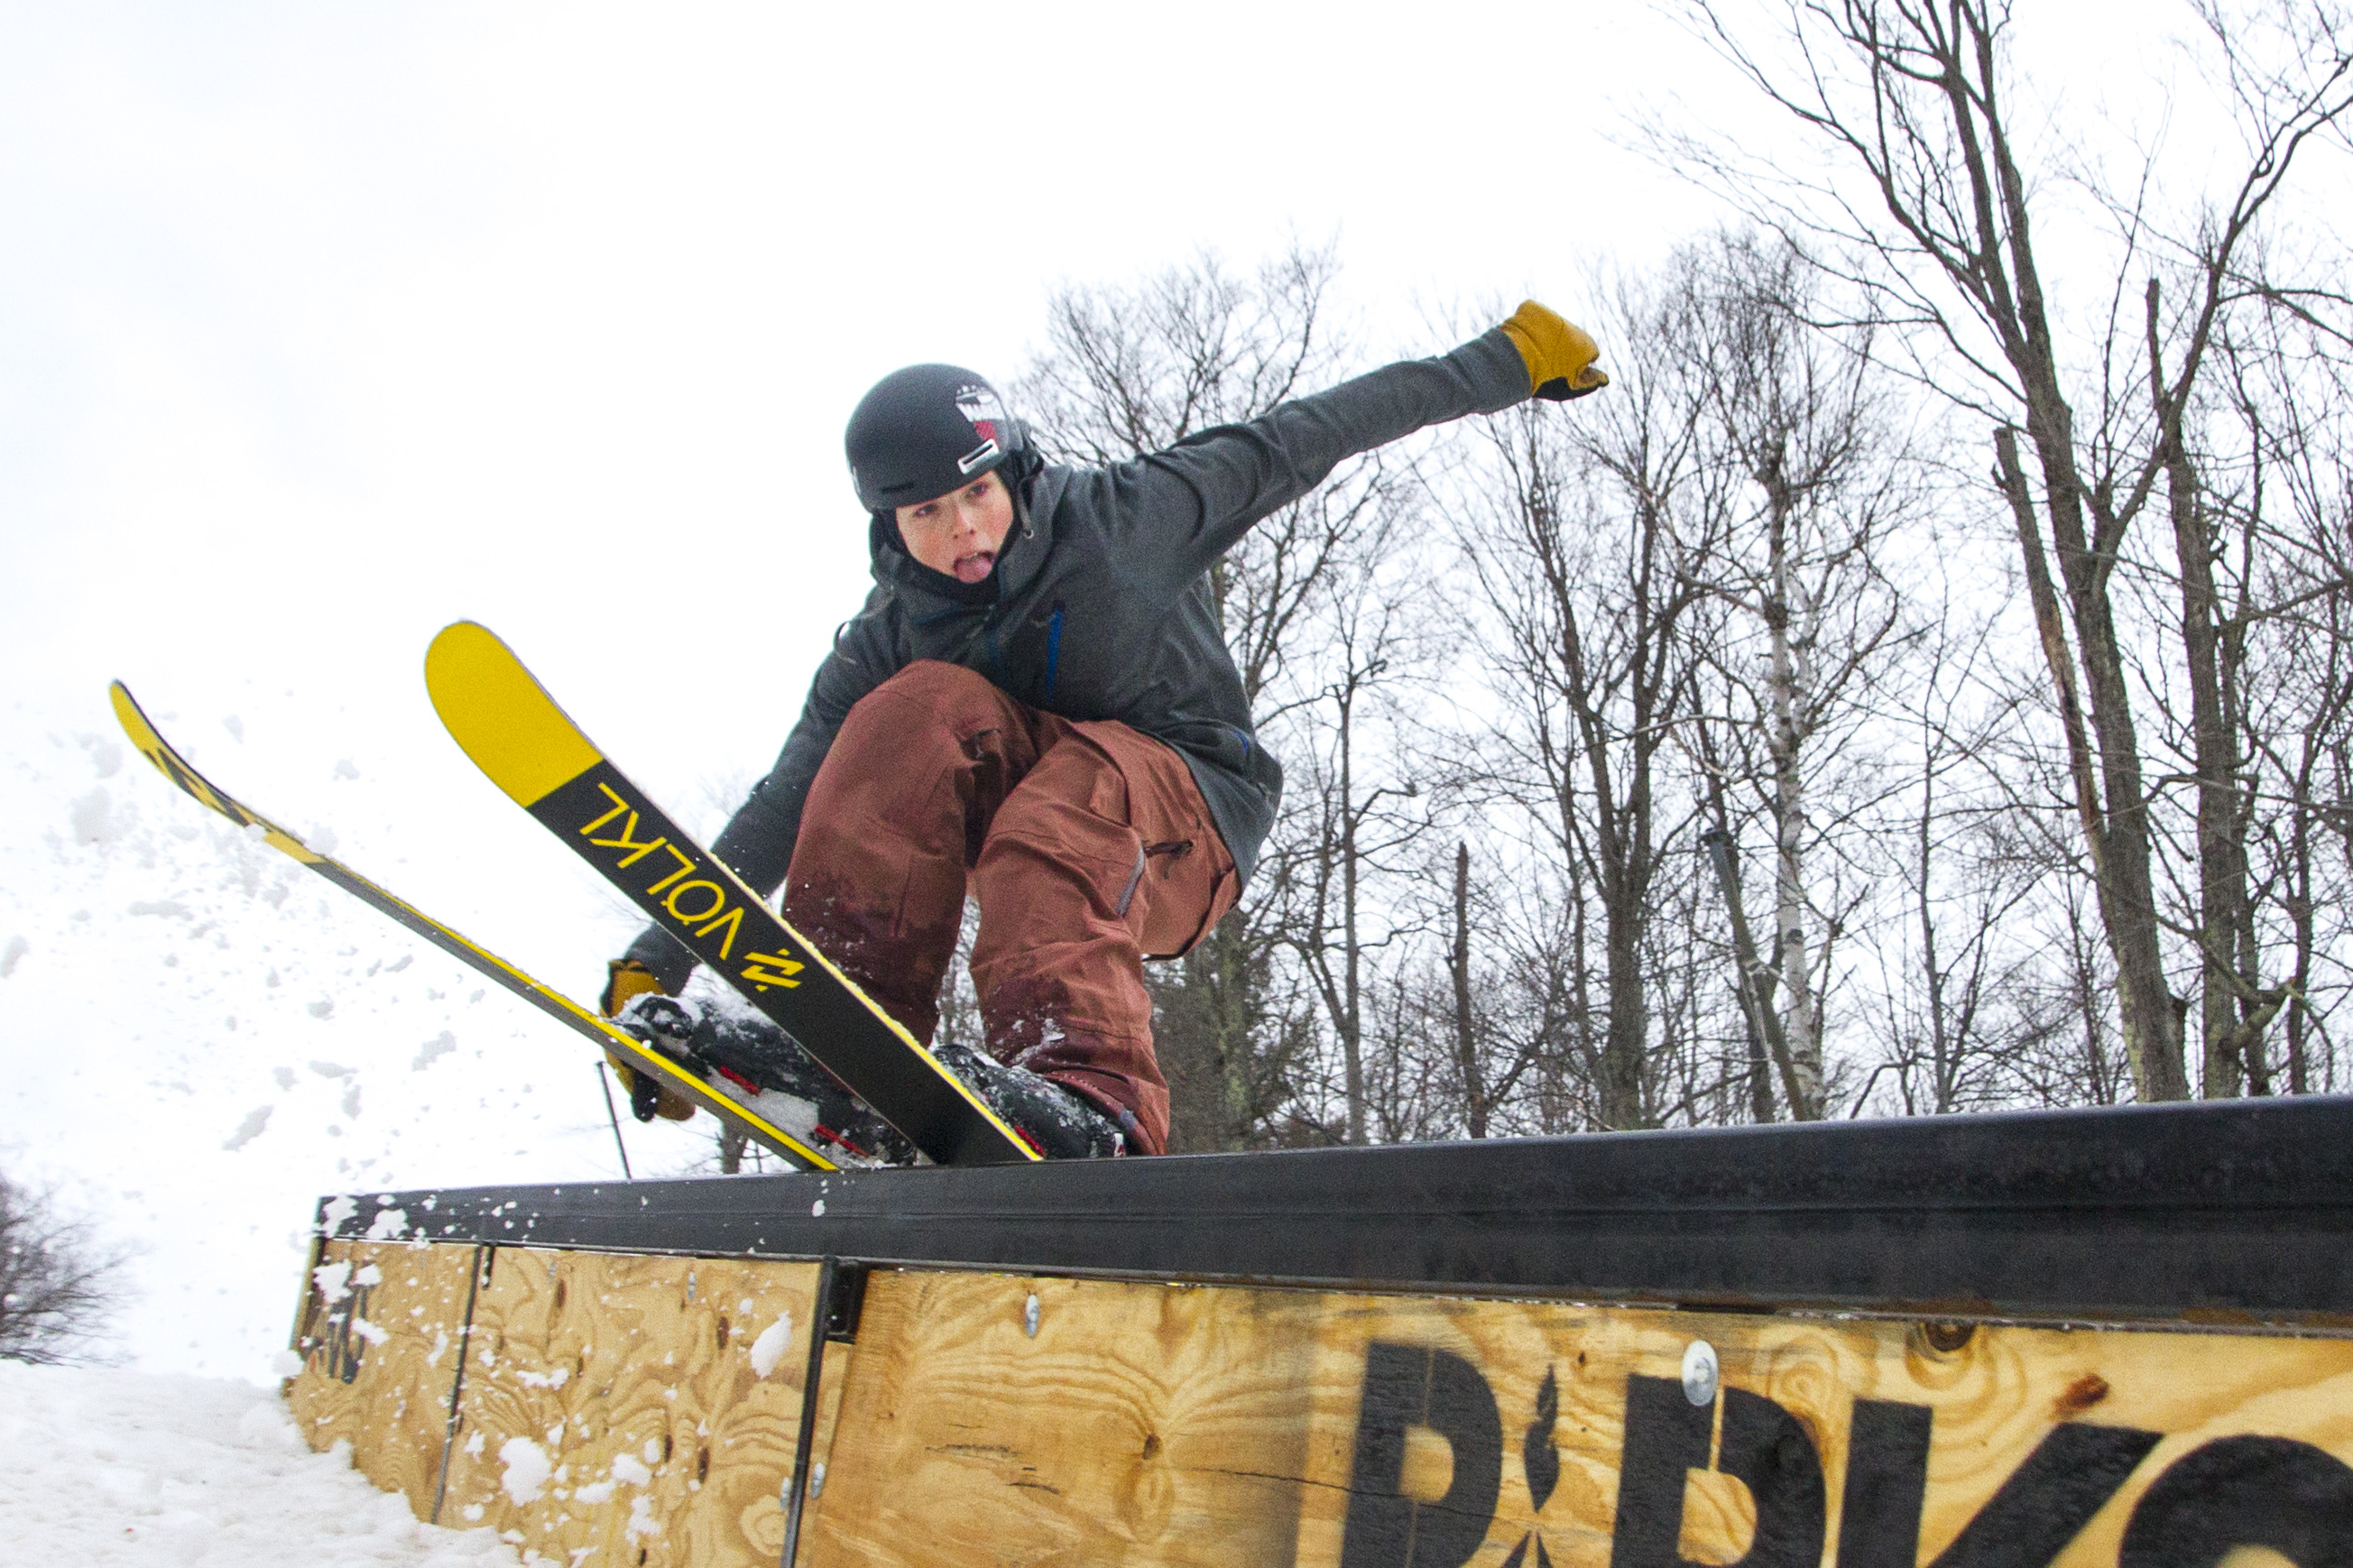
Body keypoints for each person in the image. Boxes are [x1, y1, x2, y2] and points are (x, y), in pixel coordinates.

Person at [603, 300, 1610, 1158]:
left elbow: (1315, 431)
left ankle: (1094, 1097)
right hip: (1045, 813)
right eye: (927, 516)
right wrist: (665, 945)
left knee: (1065, 795)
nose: (963, 533)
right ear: (886, 527)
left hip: (1189, 815)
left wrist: (1510, 359)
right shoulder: (889, 634)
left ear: (1013, 475)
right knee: (906, 715)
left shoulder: (1132, 516)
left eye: (977, 496)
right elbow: (789, 799)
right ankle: (842, 1044)